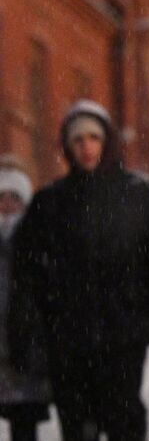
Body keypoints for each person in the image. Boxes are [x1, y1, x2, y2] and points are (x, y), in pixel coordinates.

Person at [10, 100, 149, 441]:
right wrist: (44, 324)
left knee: (125, 422)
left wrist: (147, 316)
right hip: (68, 343)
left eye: (93, 137)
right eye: (78, 140)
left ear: (107, 141)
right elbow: (26, 273)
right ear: (68, 147)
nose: (87, 147)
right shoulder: (49, 204)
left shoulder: (141, 198)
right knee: (76, 427)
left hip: (123, 340)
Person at [0, 158, 49, 441]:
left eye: (14, 197)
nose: (7, 204)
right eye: (1, 198)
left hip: (25, 351)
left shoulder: (34, 240)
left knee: (23, 426)